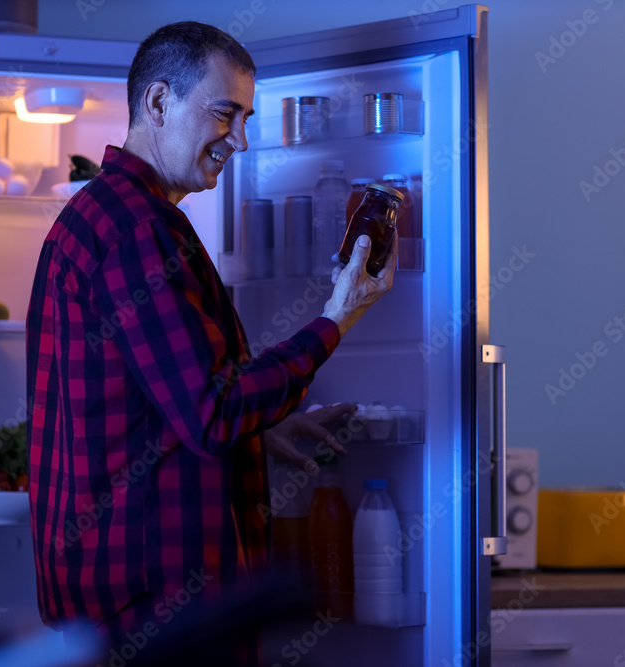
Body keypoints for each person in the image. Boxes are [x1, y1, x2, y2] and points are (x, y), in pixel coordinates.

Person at [24, 20, 396, 662]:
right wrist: (336, 317)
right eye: (227, 114)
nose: (242, 141)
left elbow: (153, 405)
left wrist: (263, 433)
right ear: (160, 101)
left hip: (118, 600)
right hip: (162, 607)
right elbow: (212, 410)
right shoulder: (141, 230)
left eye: (247, 119)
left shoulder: (104, 215)